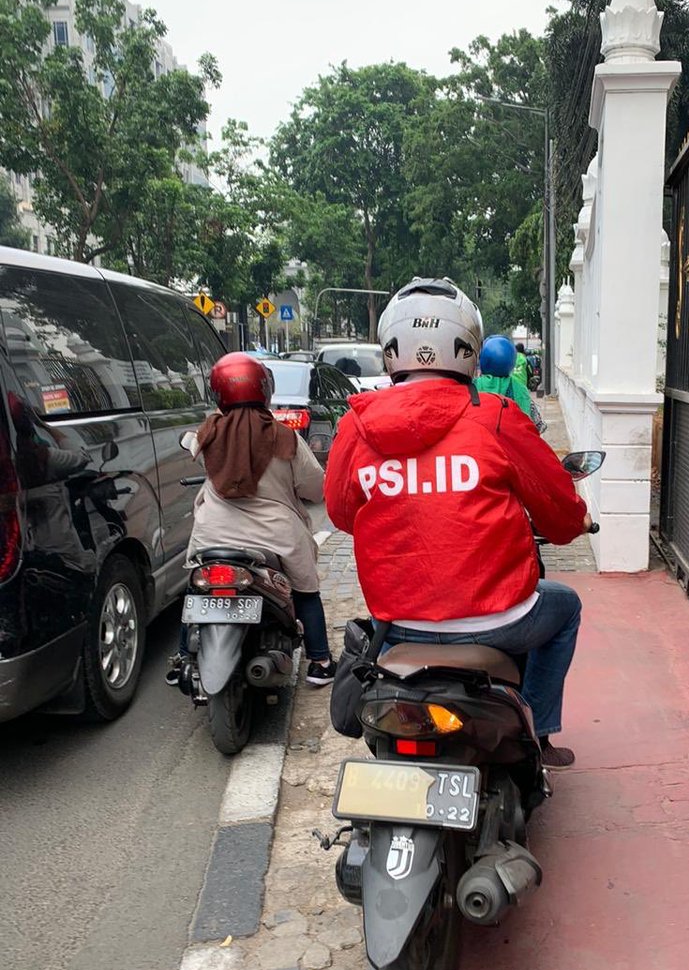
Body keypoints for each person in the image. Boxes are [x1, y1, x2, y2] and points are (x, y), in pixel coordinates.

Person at [323, 277, 591, 768]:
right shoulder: (497, 415)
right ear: (467, 348)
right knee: (566, 607)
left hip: (401, 627)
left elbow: (340, 514)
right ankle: (539, 730)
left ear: (390, 351)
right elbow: (560, 517)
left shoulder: (356, 425)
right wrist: (574, 519)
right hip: (501, 623)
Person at [172, 353, 336, 687]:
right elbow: (317, 488)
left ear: (217, 392)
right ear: (264, 389)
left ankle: (181, 660)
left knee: (195, 593)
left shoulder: (206, 435)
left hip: (214, 537)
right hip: (277, 539)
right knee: (306, 592)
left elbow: (188, 445)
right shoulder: (285, 438)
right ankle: (320, 662)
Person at [475, 335, 546, 434]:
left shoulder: (472, 385)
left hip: (481, 444)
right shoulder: (520, 389)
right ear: (512, 361)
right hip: (512, 446)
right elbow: (537, 427)